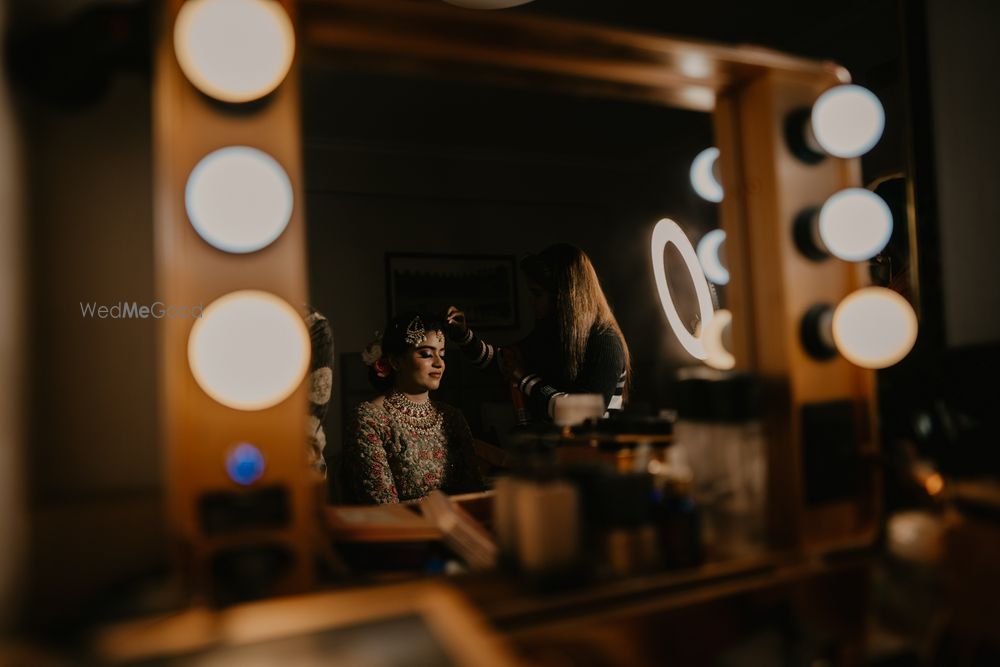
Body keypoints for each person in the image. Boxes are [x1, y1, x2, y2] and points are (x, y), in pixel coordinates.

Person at [446, 243, 630, 423]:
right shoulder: (551, 333)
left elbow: (585, 413)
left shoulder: (605, 341)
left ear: (564, 295)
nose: (530, 301)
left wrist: (525, 380)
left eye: (537, 293)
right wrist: (464, 336)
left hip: (592, 452)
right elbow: (504, 362)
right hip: (560, 451)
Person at [343, 313, 484, 504]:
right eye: (426, 354)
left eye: (441, 354)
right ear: (396, 362)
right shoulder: (370, 418)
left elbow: (474, 490)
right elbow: (382, 505)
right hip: (403, 530)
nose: (438, 363)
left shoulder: (452, 417)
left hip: (460, 526)